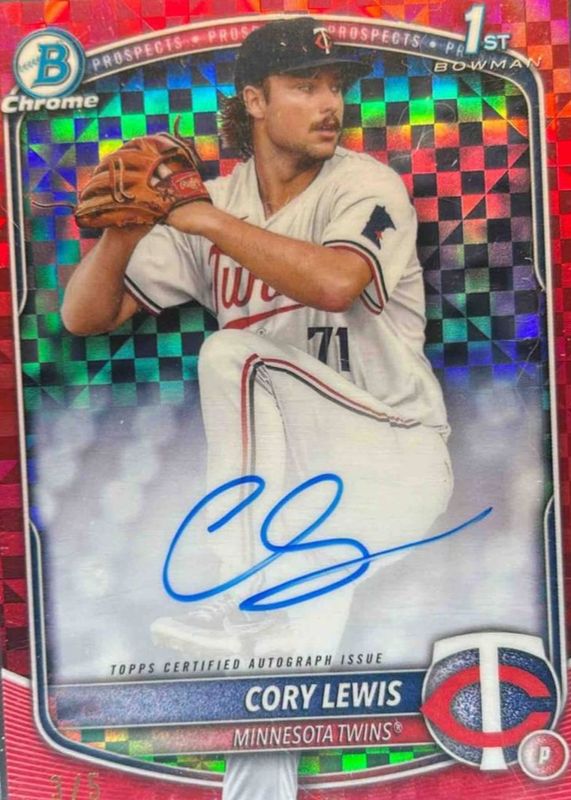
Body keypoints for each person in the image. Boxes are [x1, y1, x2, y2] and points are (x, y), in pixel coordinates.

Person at [62, 16, 452, 799]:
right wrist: (124, 233)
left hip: (391, 455)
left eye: (334, 86)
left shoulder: (363, 186)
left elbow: (336, 283)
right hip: (304, 509)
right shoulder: (225, 199)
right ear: (254, 99)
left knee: (232, 355)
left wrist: (199, 217)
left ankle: (235, 596)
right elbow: (83, 316)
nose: (328, 103)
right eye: (304, 86)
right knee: (272, 702)